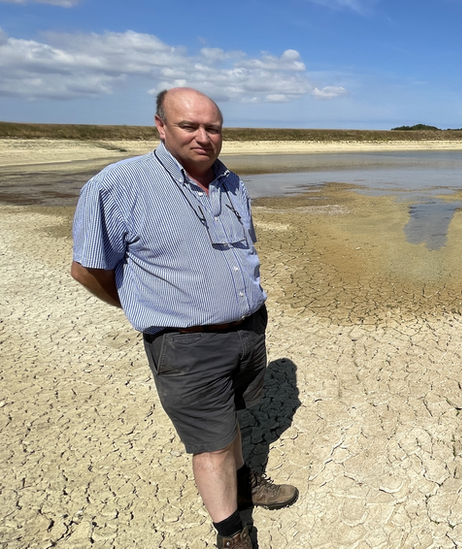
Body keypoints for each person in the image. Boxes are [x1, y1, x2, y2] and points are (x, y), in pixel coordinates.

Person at [71, 87, 298, 549]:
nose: (203, 137)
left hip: (248, 331)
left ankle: (245, 485)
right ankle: (232, 533)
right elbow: (88, 269)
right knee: (210, 445)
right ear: (160, 126)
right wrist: (143, 305)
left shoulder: (232, 183)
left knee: (229, 421)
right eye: (188, 126)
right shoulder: (119, 185)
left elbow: (244, 250)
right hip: (185, 344)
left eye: (212, 128)